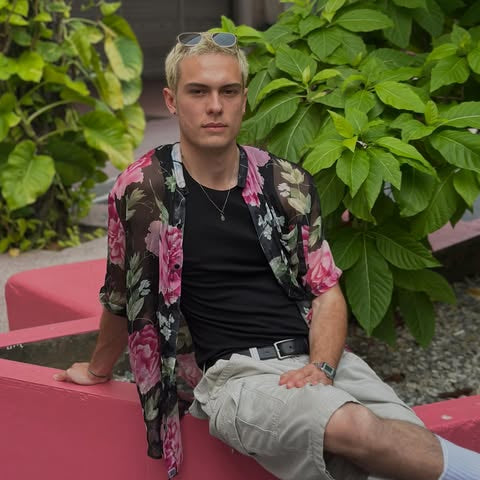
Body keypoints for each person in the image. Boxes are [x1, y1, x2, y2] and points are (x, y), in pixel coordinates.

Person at [54, 32, 480, 480]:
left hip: (315, 362)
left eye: (228, 91)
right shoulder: (145, 190)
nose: (214, 106)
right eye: (198, 92)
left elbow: (326, 291)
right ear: (172, 101)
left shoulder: (284, 181)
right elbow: (123, 294)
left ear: (244, 100)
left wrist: (321, 366)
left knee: (406, 445)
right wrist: (98, 369)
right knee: (355, 427)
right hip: (237, 379)